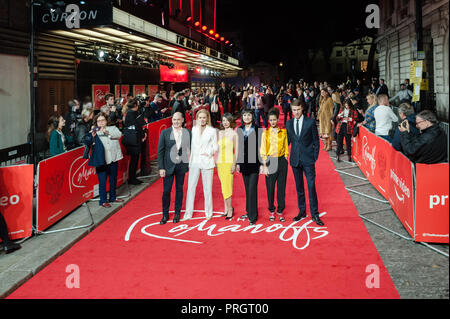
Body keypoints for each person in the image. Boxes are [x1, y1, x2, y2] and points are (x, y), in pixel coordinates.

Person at [286, 99, 324, 226]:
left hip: (308, 159)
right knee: (299, 188)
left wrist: (314, 157)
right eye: (294, 110)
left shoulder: (310, 122)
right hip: (295, 160)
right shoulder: (289, 123)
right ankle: (302, 211)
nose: (296, 112)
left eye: (298, 110)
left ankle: (315, 214)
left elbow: (316, 141)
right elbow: (287, 142)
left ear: (302, 109)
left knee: (311, 186)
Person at [83, 113, 124, 208]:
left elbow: (119, 135)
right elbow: (86, 142)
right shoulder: (94, 131)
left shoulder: (112, 128)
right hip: (101, 160)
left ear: (106, 121)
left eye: (103, 120)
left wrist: (107, 132)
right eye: (99, 121)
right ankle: (103, 200)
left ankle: (113, 197)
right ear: (96, 122)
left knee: (113, 179)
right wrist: (91, 135)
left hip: (113, 158)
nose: (101, 122)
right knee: (102, 181)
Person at [158, 112, 192, 224]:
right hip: (168, 166)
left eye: (178, 119)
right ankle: (165, 214)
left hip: (181, 166)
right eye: (174, 119)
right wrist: (161, 167)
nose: (176, 122)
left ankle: (177, 214)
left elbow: (190, 149)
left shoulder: (188, 132)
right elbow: (160, 151)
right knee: (166, 191)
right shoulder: (165, 133)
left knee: (179, 190)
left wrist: (190, 163)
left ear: (182, 120)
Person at [184, 109, 218, 221]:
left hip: (207, 161)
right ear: (197, 119)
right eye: (200, 118)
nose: (202, 120)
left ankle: (208, 212)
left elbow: (215, 146)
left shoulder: (212, 131)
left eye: (204, 117)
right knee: (191, 188)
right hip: (194, 162)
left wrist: (208, 153)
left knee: (207, 189)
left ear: (207, 118)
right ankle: (188, 214)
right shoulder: (193, 130)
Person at [260, 108, 289, 222]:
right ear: (268, 121)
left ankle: (280, 210)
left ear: (277, 120)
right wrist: (265, 166)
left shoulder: (283, 132)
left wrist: (286, 157)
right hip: (270, 161)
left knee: (281, 187)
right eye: (270, 120)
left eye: (274, 120)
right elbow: (263, 150)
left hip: (282, 161)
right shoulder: (265, 134)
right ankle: (271, 209)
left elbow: (286, 146)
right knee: (270, 187)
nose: (272, 122)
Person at [236, 109, 262, 226]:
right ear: (242, 117)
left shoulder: (258, 129)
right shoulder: (239, 129)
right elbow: (238, 147)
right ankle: (248, 211)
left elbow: (261, 148)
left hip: (255, 163)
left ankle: (253, 216)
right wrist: (237, 163)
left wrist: (262, 164)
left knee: (252, 189)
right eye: (244, 115)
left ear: (252, 116)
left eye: (249, 115)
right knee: (247, 189)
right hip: (243, 163)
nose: (247, 117)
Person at [217, 113, 238, 220]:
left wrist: (234, 164)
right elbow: (217, 149)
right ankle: (226, 208)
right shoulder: (220, 133)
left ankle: (230, 208)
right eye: (223, 120)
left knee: (227, 186)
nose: (225, 122)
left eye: (227, 120)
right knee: (223, 186)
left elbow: (236, 152)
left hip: (229, 162)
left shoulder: (234, 134)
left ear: (231, 121)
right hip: (220, 163)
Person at [123, 98, 147, 185]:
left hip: (136, 139)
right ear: (135, 106)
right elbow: (136, 126)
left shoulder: (132, 113)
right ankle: (132, 178)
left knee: (135, 159)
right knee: (134, 160)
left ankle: (133, 177)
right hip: (134, 140)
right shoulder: (131, 114)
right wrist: (142, 135)